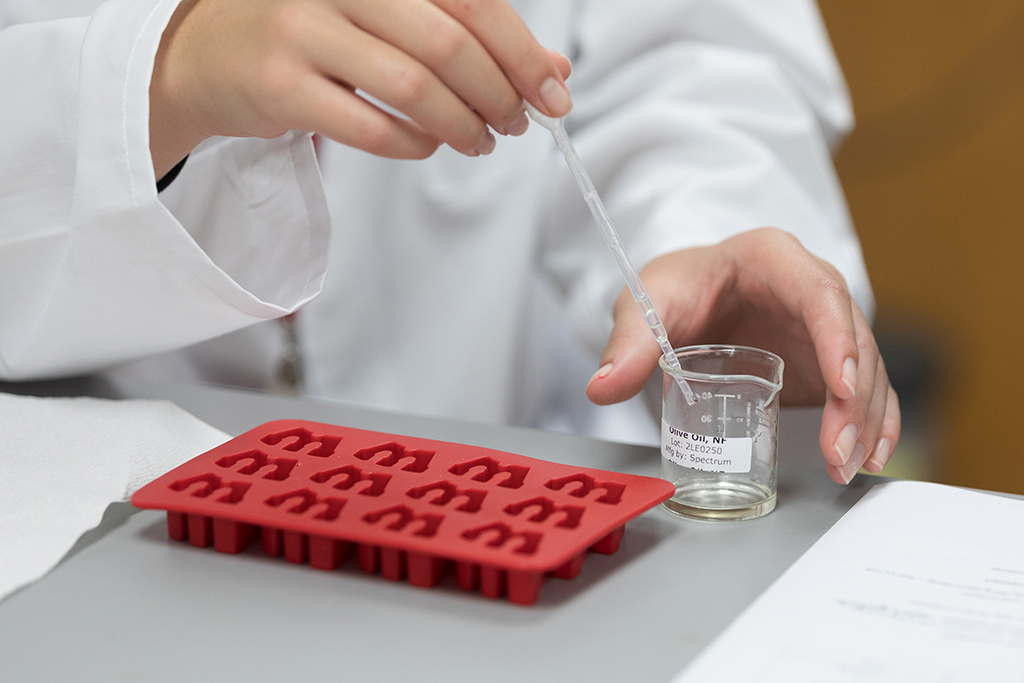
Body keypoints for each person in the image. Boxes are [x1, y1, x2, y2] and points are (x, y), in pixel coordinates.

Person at [0, 0, 899, 485]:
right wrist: (163, 79)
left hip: (504, 487)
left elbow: (692, 60)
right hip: (103, 507)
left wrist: (703, 237)